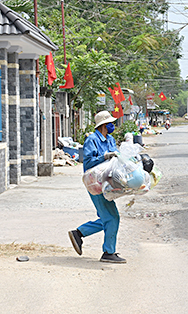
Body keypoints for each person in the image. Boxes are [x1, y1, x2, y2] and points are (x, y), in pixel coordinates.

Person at [68, 111, 126, 263]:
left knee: (107, 217)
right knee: (112, 217)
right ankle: (108, 252)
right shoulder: (92, 140)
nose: (112, 125)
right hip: (96, 183)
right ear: (103, 125)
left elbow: (117, 158)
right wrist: (105, 156)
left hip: (108, 182)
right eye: (110, 123)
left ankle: (79, 233)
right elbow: (87, 162)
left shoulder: (111, 139)